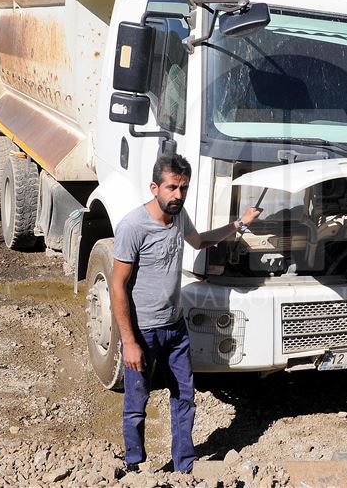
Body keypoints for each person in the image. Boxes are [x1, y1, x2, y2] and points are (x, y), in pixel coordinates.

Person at [110, 153, 261, 473]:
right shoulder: (133, 227)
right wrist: (130, 342)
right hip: (143, 331)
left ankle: (184, 466)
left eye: (183, 188)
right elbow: (117, 285)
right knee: (137, 404)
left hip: (175, 328)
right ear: (154, 187)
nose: (178, 195)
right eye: (172, 188)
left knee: (185, 398)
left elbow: (201, 241)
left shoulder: (179, 217)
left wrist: (239, 224)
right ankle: (134, 466)